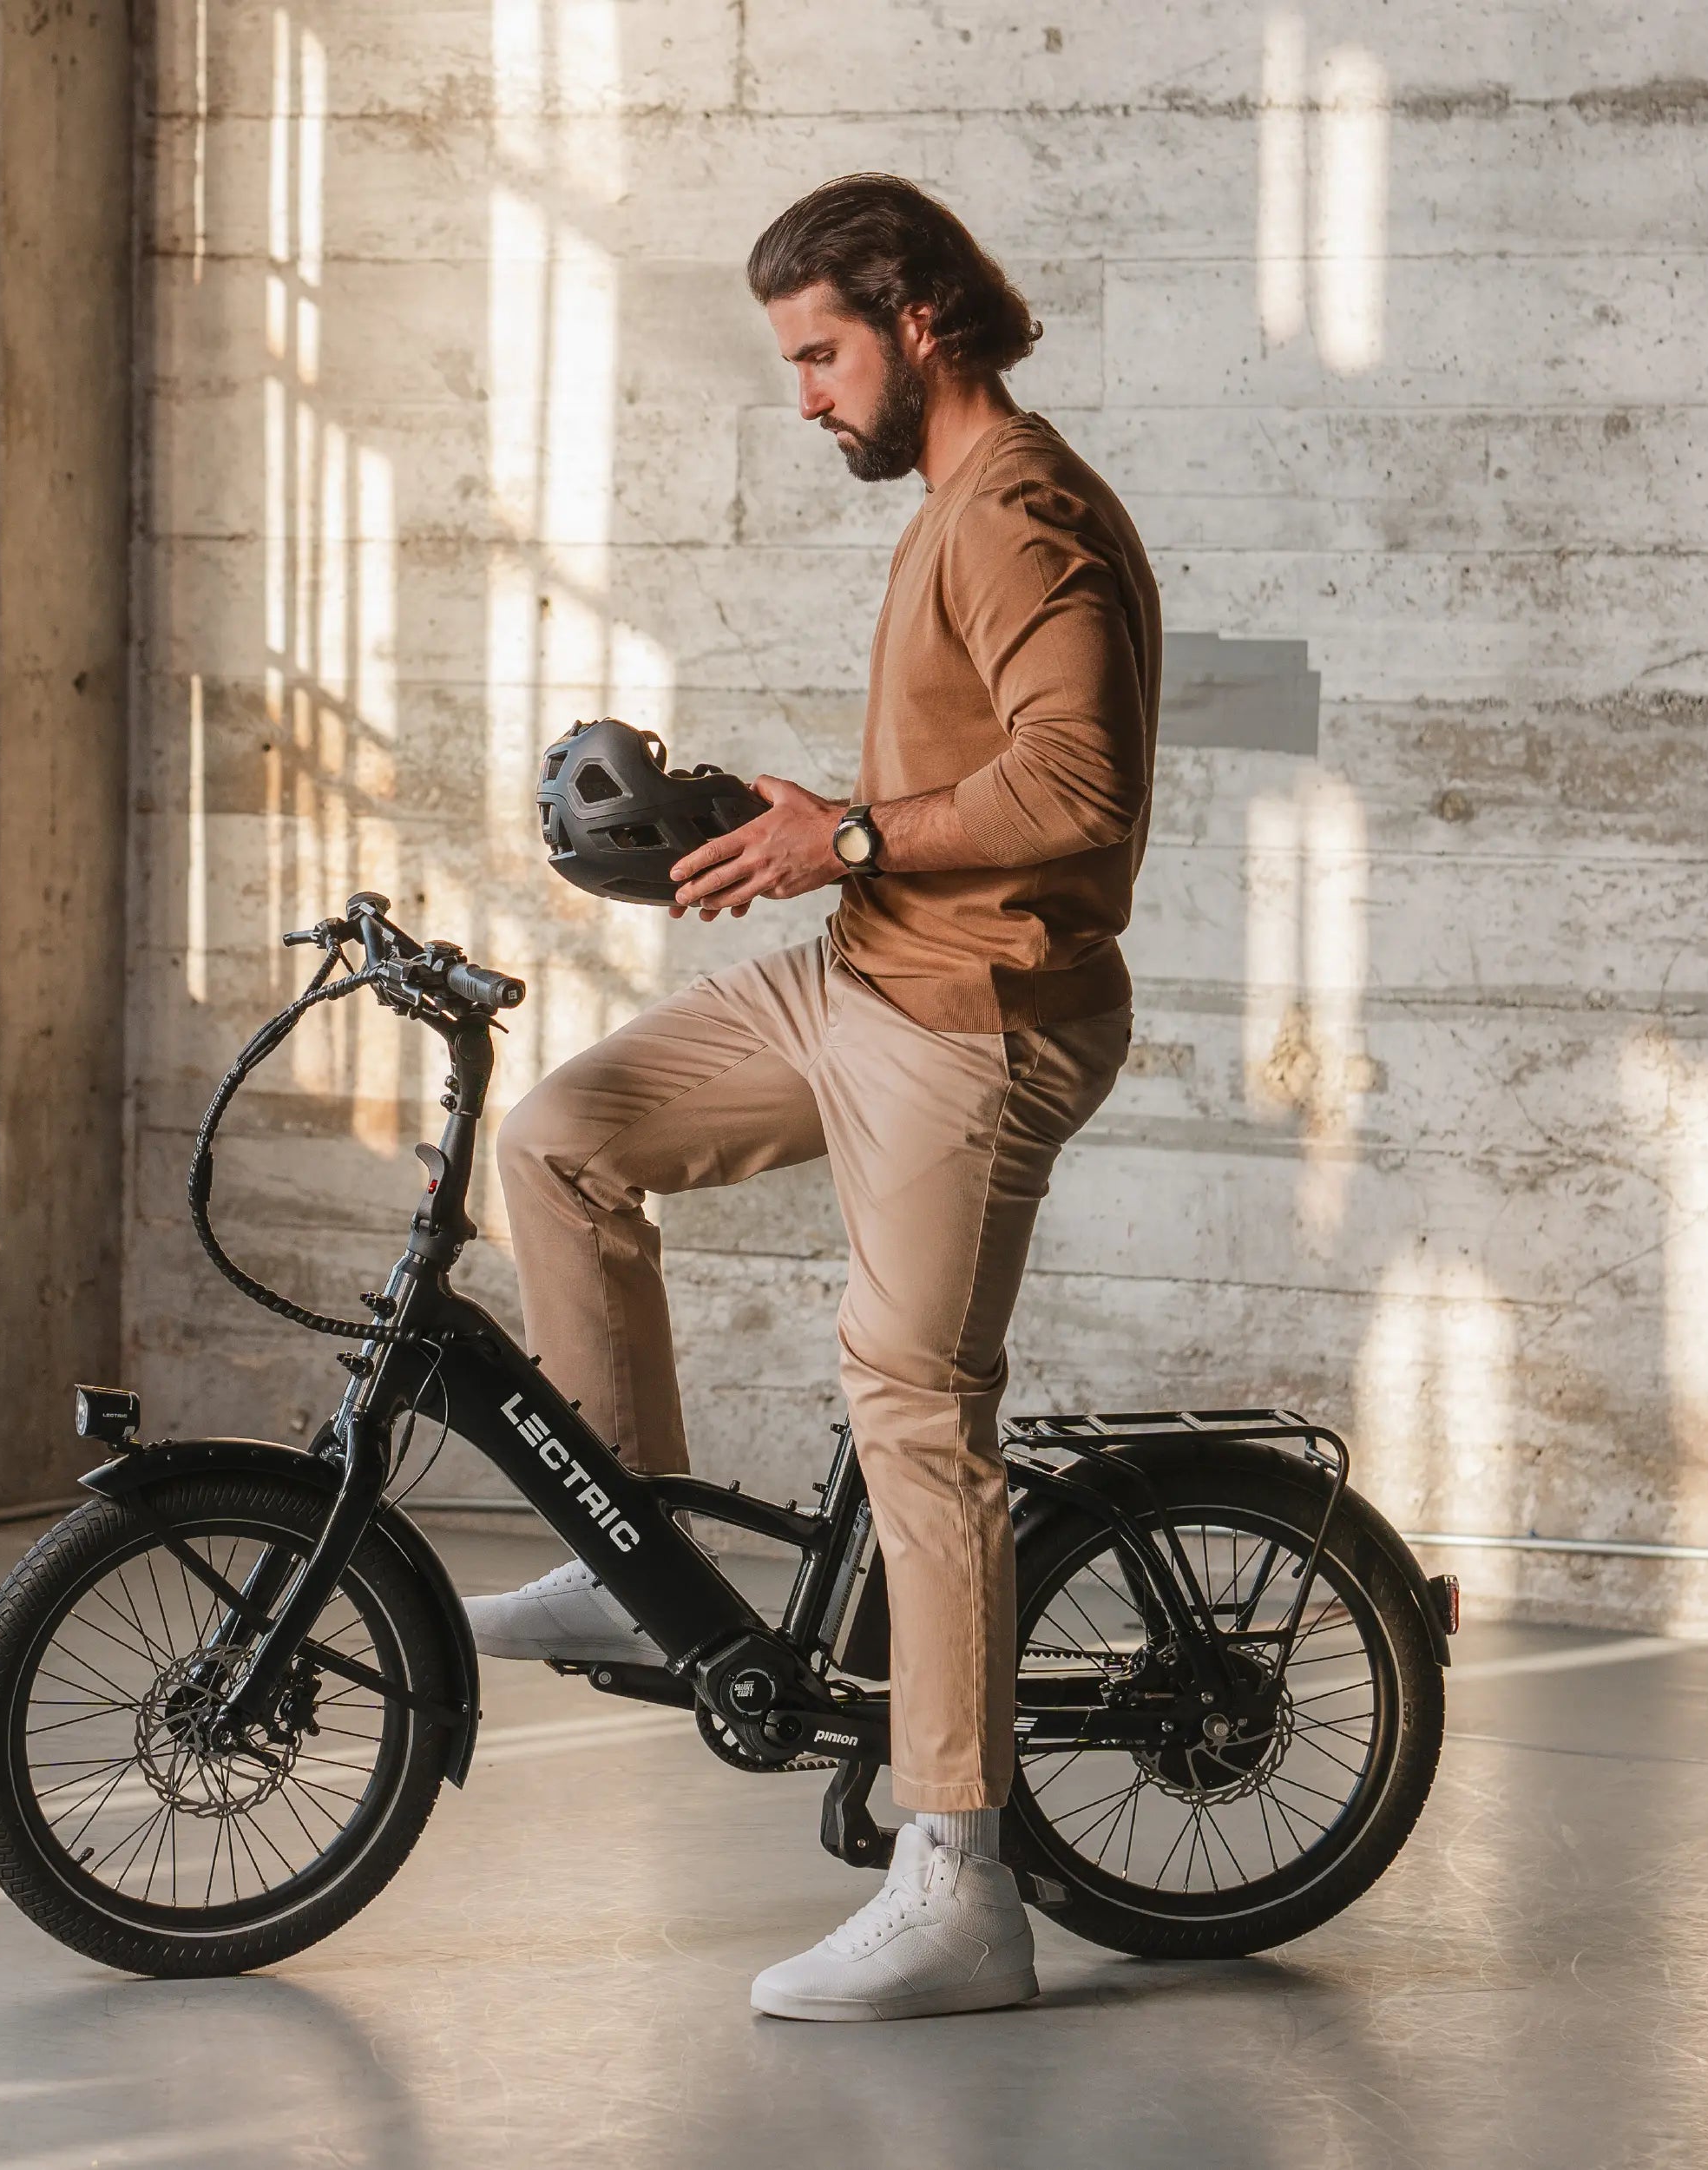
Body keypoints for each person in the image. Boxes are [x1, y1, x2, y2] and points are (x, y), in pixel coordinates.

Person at [467, 174, 1161, 2022]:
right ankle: (631, 1556)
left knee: (911, 1408)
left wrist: (845, 831)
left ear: (919, 320)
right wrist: (791, 832)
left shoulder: (1017, 513)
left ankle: (959, 1879)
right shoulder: (953, 504)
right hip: (864, 966)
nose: (804, 397)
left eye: (821, 352)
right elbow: (972, 776)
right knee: (563, 1140)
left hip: (972, 1022)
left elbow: (1079, 785)